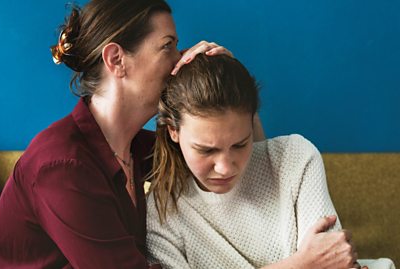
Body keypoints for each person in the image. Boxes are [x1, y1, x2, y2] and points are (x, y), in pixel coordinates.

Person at [0, 0, 233, 268]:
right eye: (168, 46)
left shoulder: (135, 147)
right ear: (116, 60)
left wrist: (228, 83)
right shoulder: (63, 167)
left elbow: (241, 162)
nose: (180, 60)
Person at [146, 54, 374, 269]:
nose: (225, 168)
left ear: (252, 121)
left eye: (240, 144)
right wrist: (300, 264)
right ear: (174, 131)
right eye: (206, 150)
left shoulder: (293, 158)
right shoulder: (160, 211)